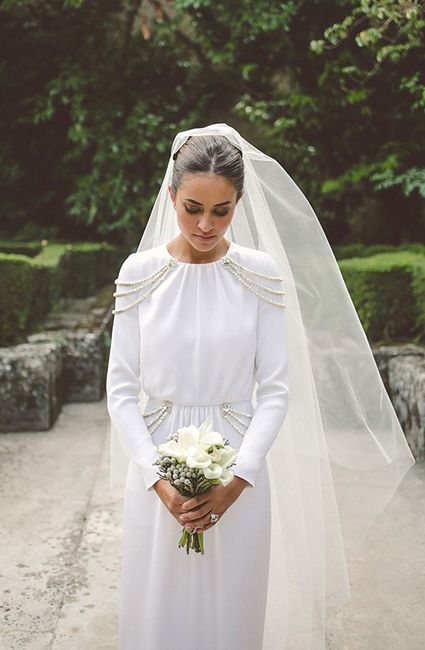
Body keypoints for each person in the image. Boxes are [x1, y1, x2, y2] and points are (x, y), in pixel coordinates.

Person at [106, 124, 415, 650]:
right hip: (157, 466)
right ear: (170, 195)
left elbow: (274, 389)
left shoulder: (260, 274)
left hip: (240, 465)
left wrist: (237, 480)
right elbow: (120, 389)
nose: (205, 224)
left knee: (233, 611)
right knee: (159, 609)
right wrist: (159, 481)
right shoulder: (139, 274)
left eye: (221, 210)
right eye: (193, 207)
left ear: (239, 203)